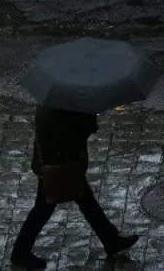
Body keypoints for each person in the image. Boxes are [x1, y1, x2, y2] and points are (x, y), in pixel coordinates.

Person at [10, 105, 139, 269]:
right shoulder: (67, 101)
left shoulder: (54, 95)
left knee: (84, 198)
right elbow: (80, 129)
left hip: (54, 157)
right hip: (58, 161)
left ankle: (111, 239)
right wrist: (90, 117)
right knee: (46, 206)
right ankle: (20, 252)